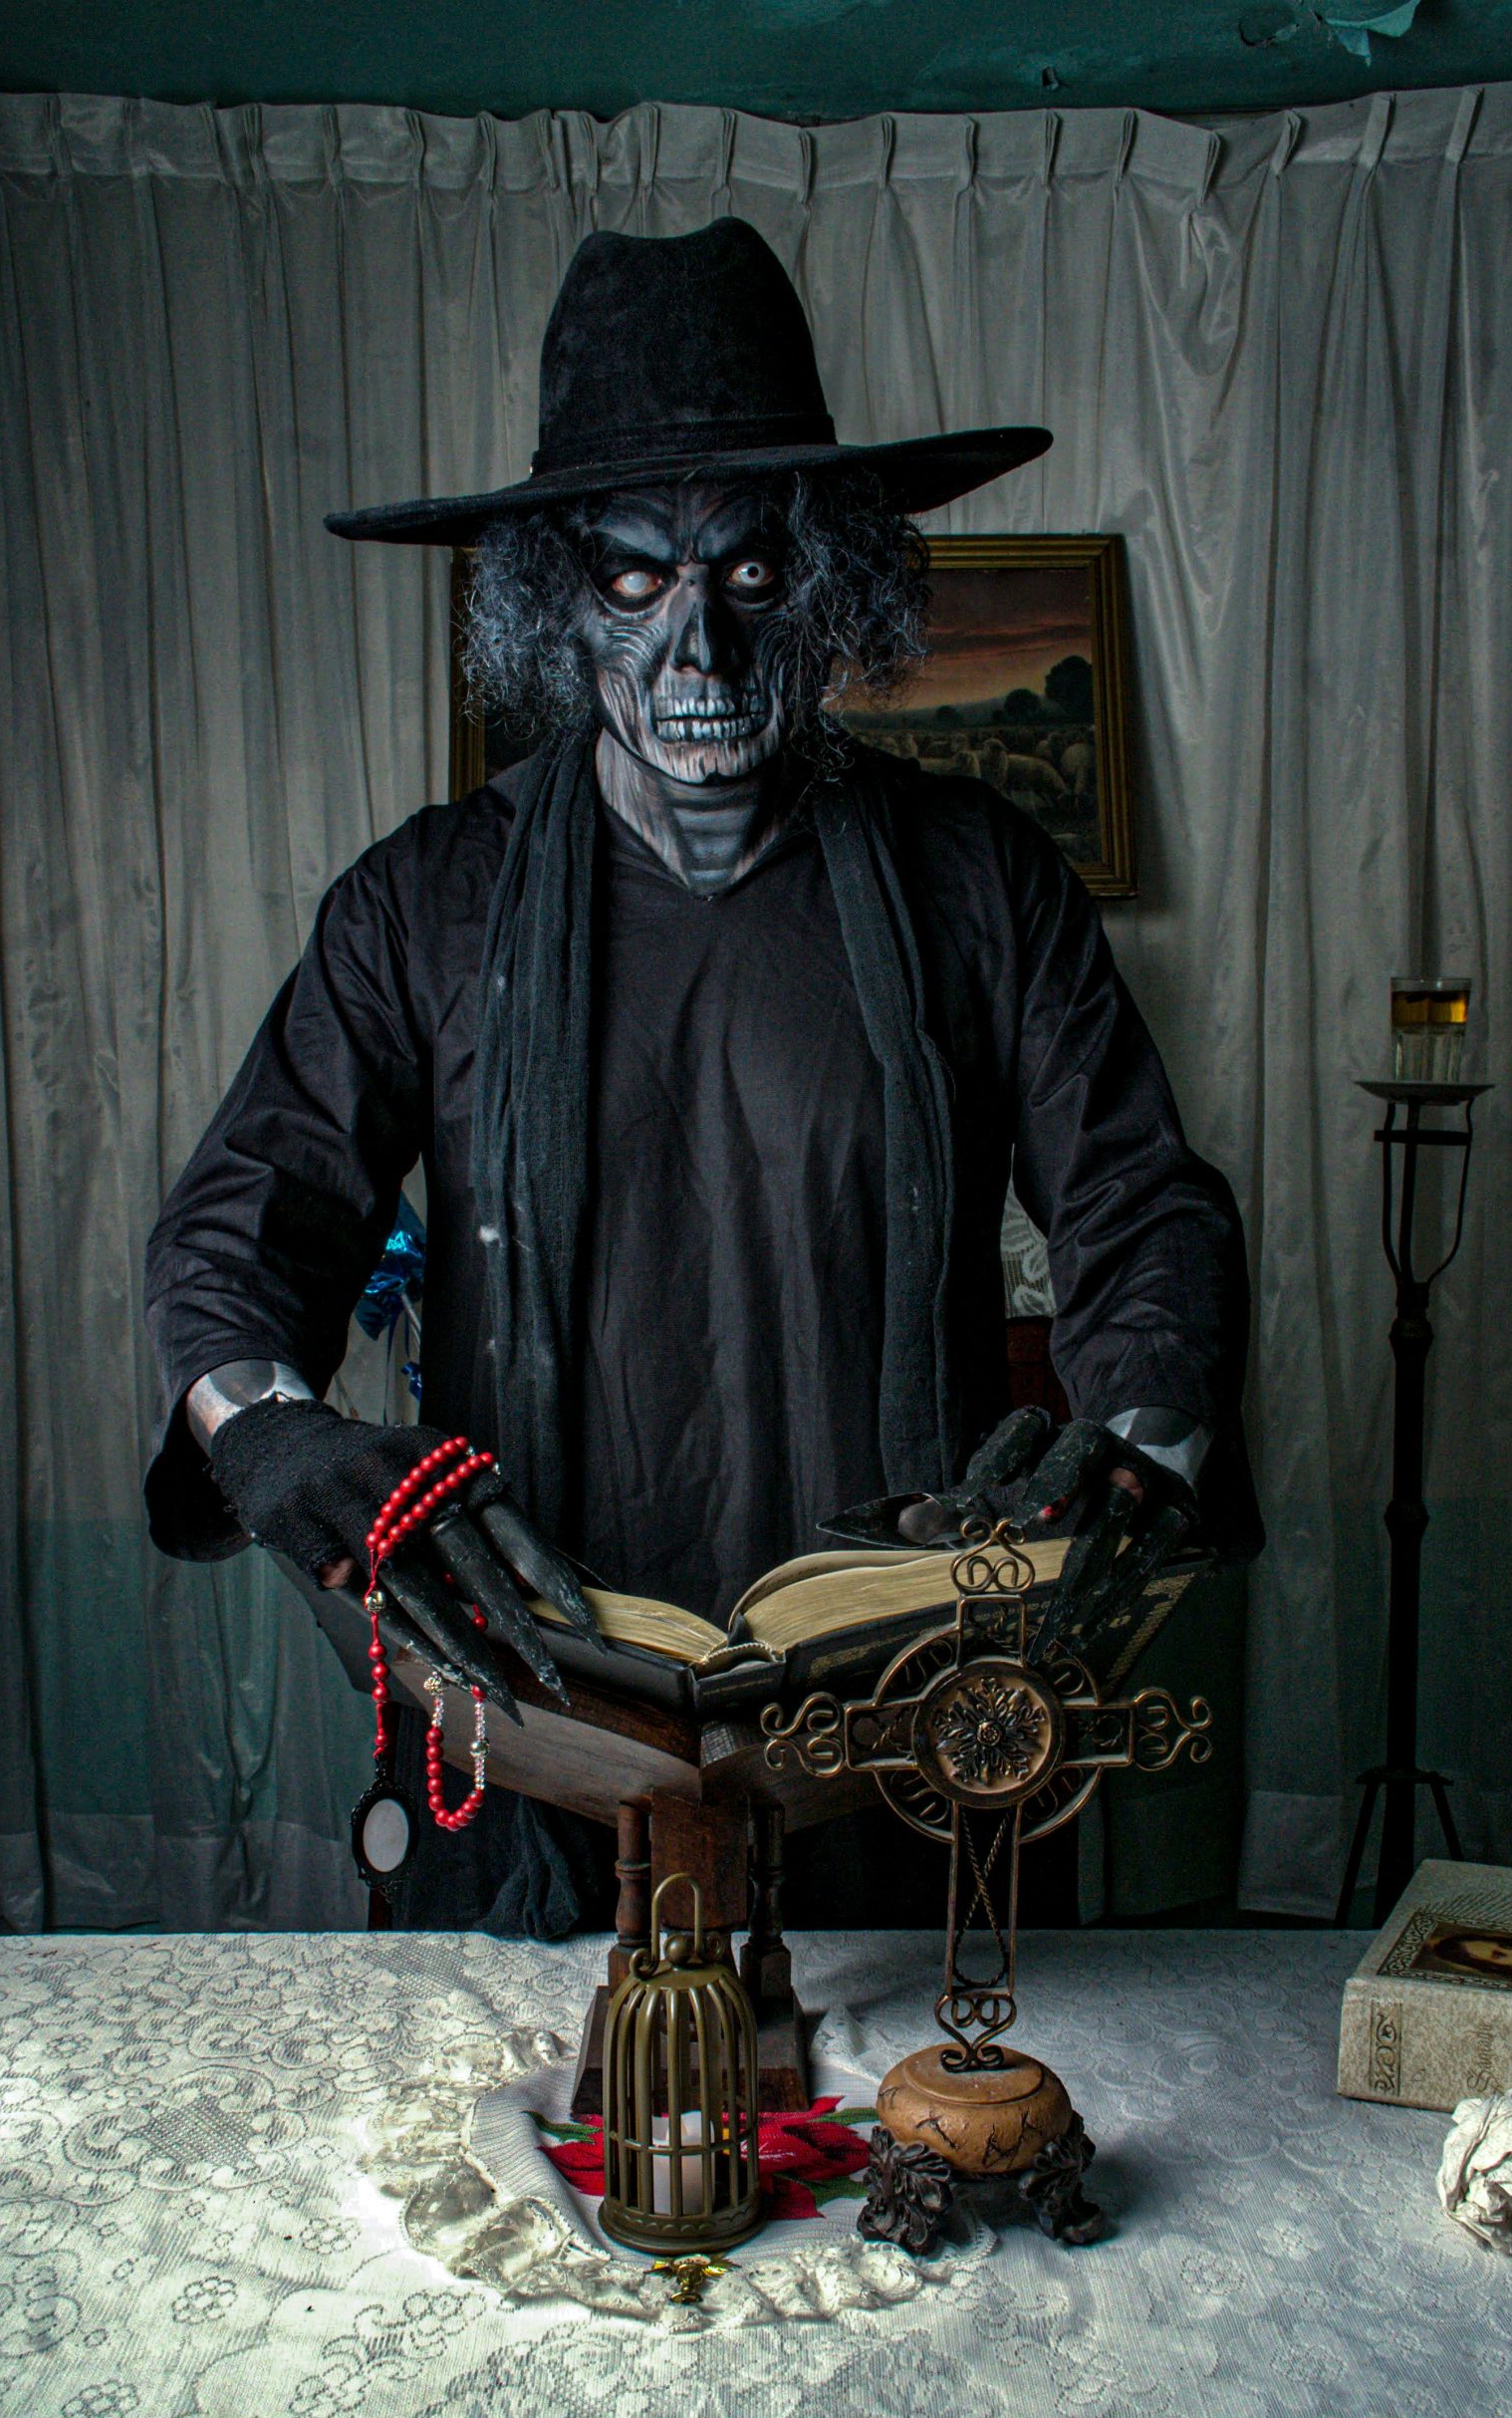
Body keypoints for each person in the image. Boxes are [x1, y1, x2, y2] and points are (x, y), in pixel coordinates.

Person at [144, 219, 1259, 1932]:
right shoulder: (423, 903)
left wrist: (1134, 1438)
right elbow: (239, 1229)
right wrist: (274, 1434)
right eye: (633, 580)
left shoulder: (981, 882)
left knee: (911, 2081)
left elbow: (1142, 1206)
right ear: (555, 596)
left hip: (897, 1732)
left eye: (750, 574)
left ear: (828, 583)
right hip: (533, 1725)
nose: (701, 652)